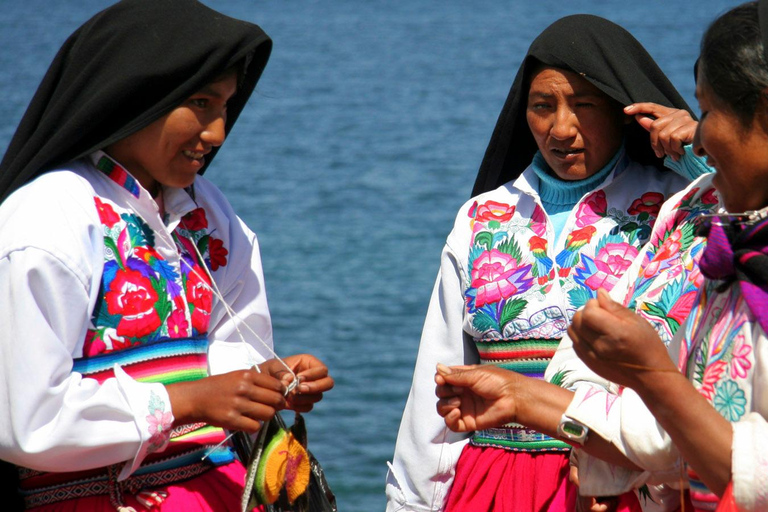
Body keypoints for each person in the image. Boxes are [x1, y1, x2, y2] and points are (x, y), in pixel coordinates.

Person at [0, 1, 334, 510]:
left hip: (220, 490)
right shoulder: (47, 220)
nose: (218, 133)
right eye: (201, 103)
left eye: (224, 106)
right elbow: (25, 420)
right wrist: (187, 401)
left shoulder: (211, 215)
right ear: (136, 96)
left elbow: (230, 347)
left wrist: (269, 382)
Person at [434, 2, 768, 511]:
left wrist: (651, 377)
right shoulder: (689, 215)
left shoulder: (676, 203)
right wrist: (521, 397)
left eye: (707, 113)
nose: (697, 132)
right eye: (542, 105)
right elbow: (659, 436)